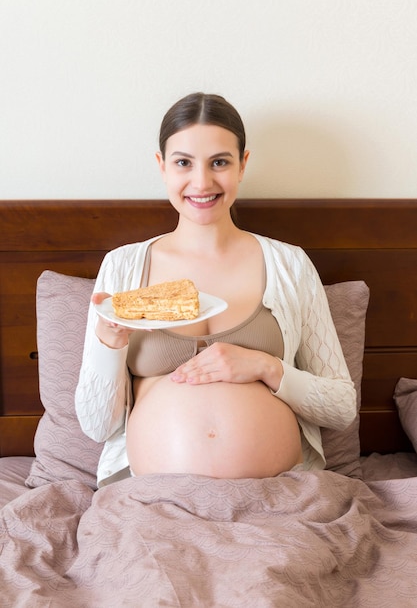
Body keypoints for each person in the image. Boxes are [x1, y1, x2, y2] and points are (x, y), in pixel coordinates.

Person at [75, 92, 356, 488]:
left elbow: (342, 407)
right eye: (183, 163)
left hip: (280, 494)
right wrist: (109, 345)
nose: (202, 182)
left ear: (243, 165)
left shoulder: (289, 264)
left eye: (219, 162)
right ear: (162, 167)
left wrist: (266, 367)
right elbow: (96, 425)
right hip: (154, 498)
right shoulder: (122, 267)